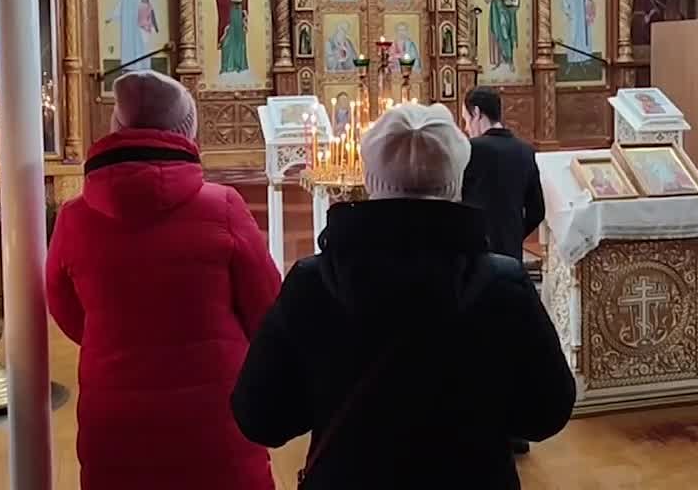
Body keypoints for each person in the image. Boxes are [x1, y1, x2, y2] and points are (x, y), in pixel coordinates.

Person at [232, 103, 575, 488]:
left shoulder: (313, 283)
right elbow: (546, 411)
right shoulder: (502, 283)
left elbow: (260, 416)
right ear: (456, 180)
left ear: (369, 179)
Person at [47, 70, 282, 490]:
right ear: (187, 131)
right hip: (215, 419)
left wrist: (121, 337)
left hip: (115, 417)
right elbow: (266, 305)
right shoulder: (224, 207)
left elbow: (64, 308)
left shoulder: (73, 217)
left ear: (116, 128)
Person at [461, 86, 546, 267]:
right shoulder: (525, 151)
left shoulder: (470, 150)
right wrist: (513, 235)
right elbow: (537, 211)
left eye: (466, 120)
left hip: (476, 256)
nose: (466, 128)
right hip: (511, 256)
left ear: (477, 113)